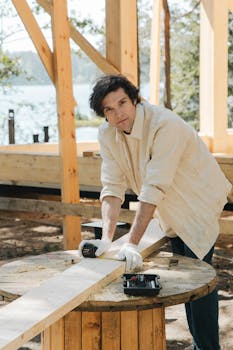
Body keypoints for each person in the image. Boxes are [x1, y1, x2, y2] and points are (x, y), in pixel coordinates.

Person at [79, 74, 232, 350]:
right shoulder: (107, 134)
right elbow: (112, 187)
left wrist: (133, 244)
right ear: (103, 115)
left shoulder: (164, 125)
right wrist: (107, 238)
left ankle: (207, 347)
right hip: (170, 207)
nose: (118, 113)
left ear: (135, 99)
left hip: (197, 201)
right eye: (109, 109)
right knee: (187, 278)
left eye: (122, 103)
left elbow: (153, 188)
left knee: (199, 279)